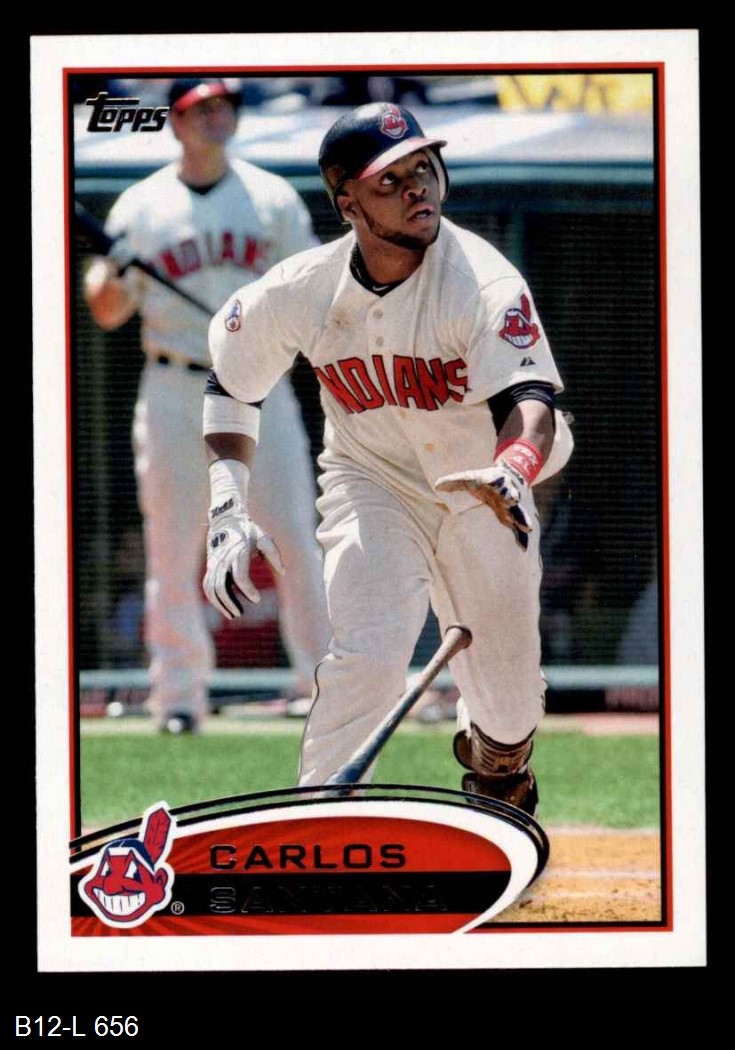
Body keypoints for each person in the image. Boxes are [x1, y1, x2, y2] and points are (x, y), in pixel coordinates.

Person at [201, 102, 573, 813]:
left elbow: (531, 401)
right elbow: (231, 384)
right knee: (366, 655)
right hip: (371, 479)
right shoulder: (302, 287)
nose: (416, 187)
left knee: (508, 709)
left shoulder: (483, 280)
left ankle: (496, 765)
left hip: (482, 486)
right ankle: (322, 822)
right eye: (389, 180)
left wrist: (514, 469)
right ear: (347, 203)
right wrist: (226, 507)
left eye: (423, 167)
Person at [83, 77, 331, 734]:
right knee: (172, 547)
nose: (215, 117)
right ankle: (178, 697)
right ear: (176, 120)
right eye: (201, 108)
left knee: (293, 539)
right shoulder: (142, 204)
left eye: (224, 106)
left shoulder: (271, 197)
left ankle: (324, 688)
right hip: (174, 385)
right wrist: (114, 268)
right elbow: (107, 311)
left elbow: (312, 294)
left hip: (257, 383)